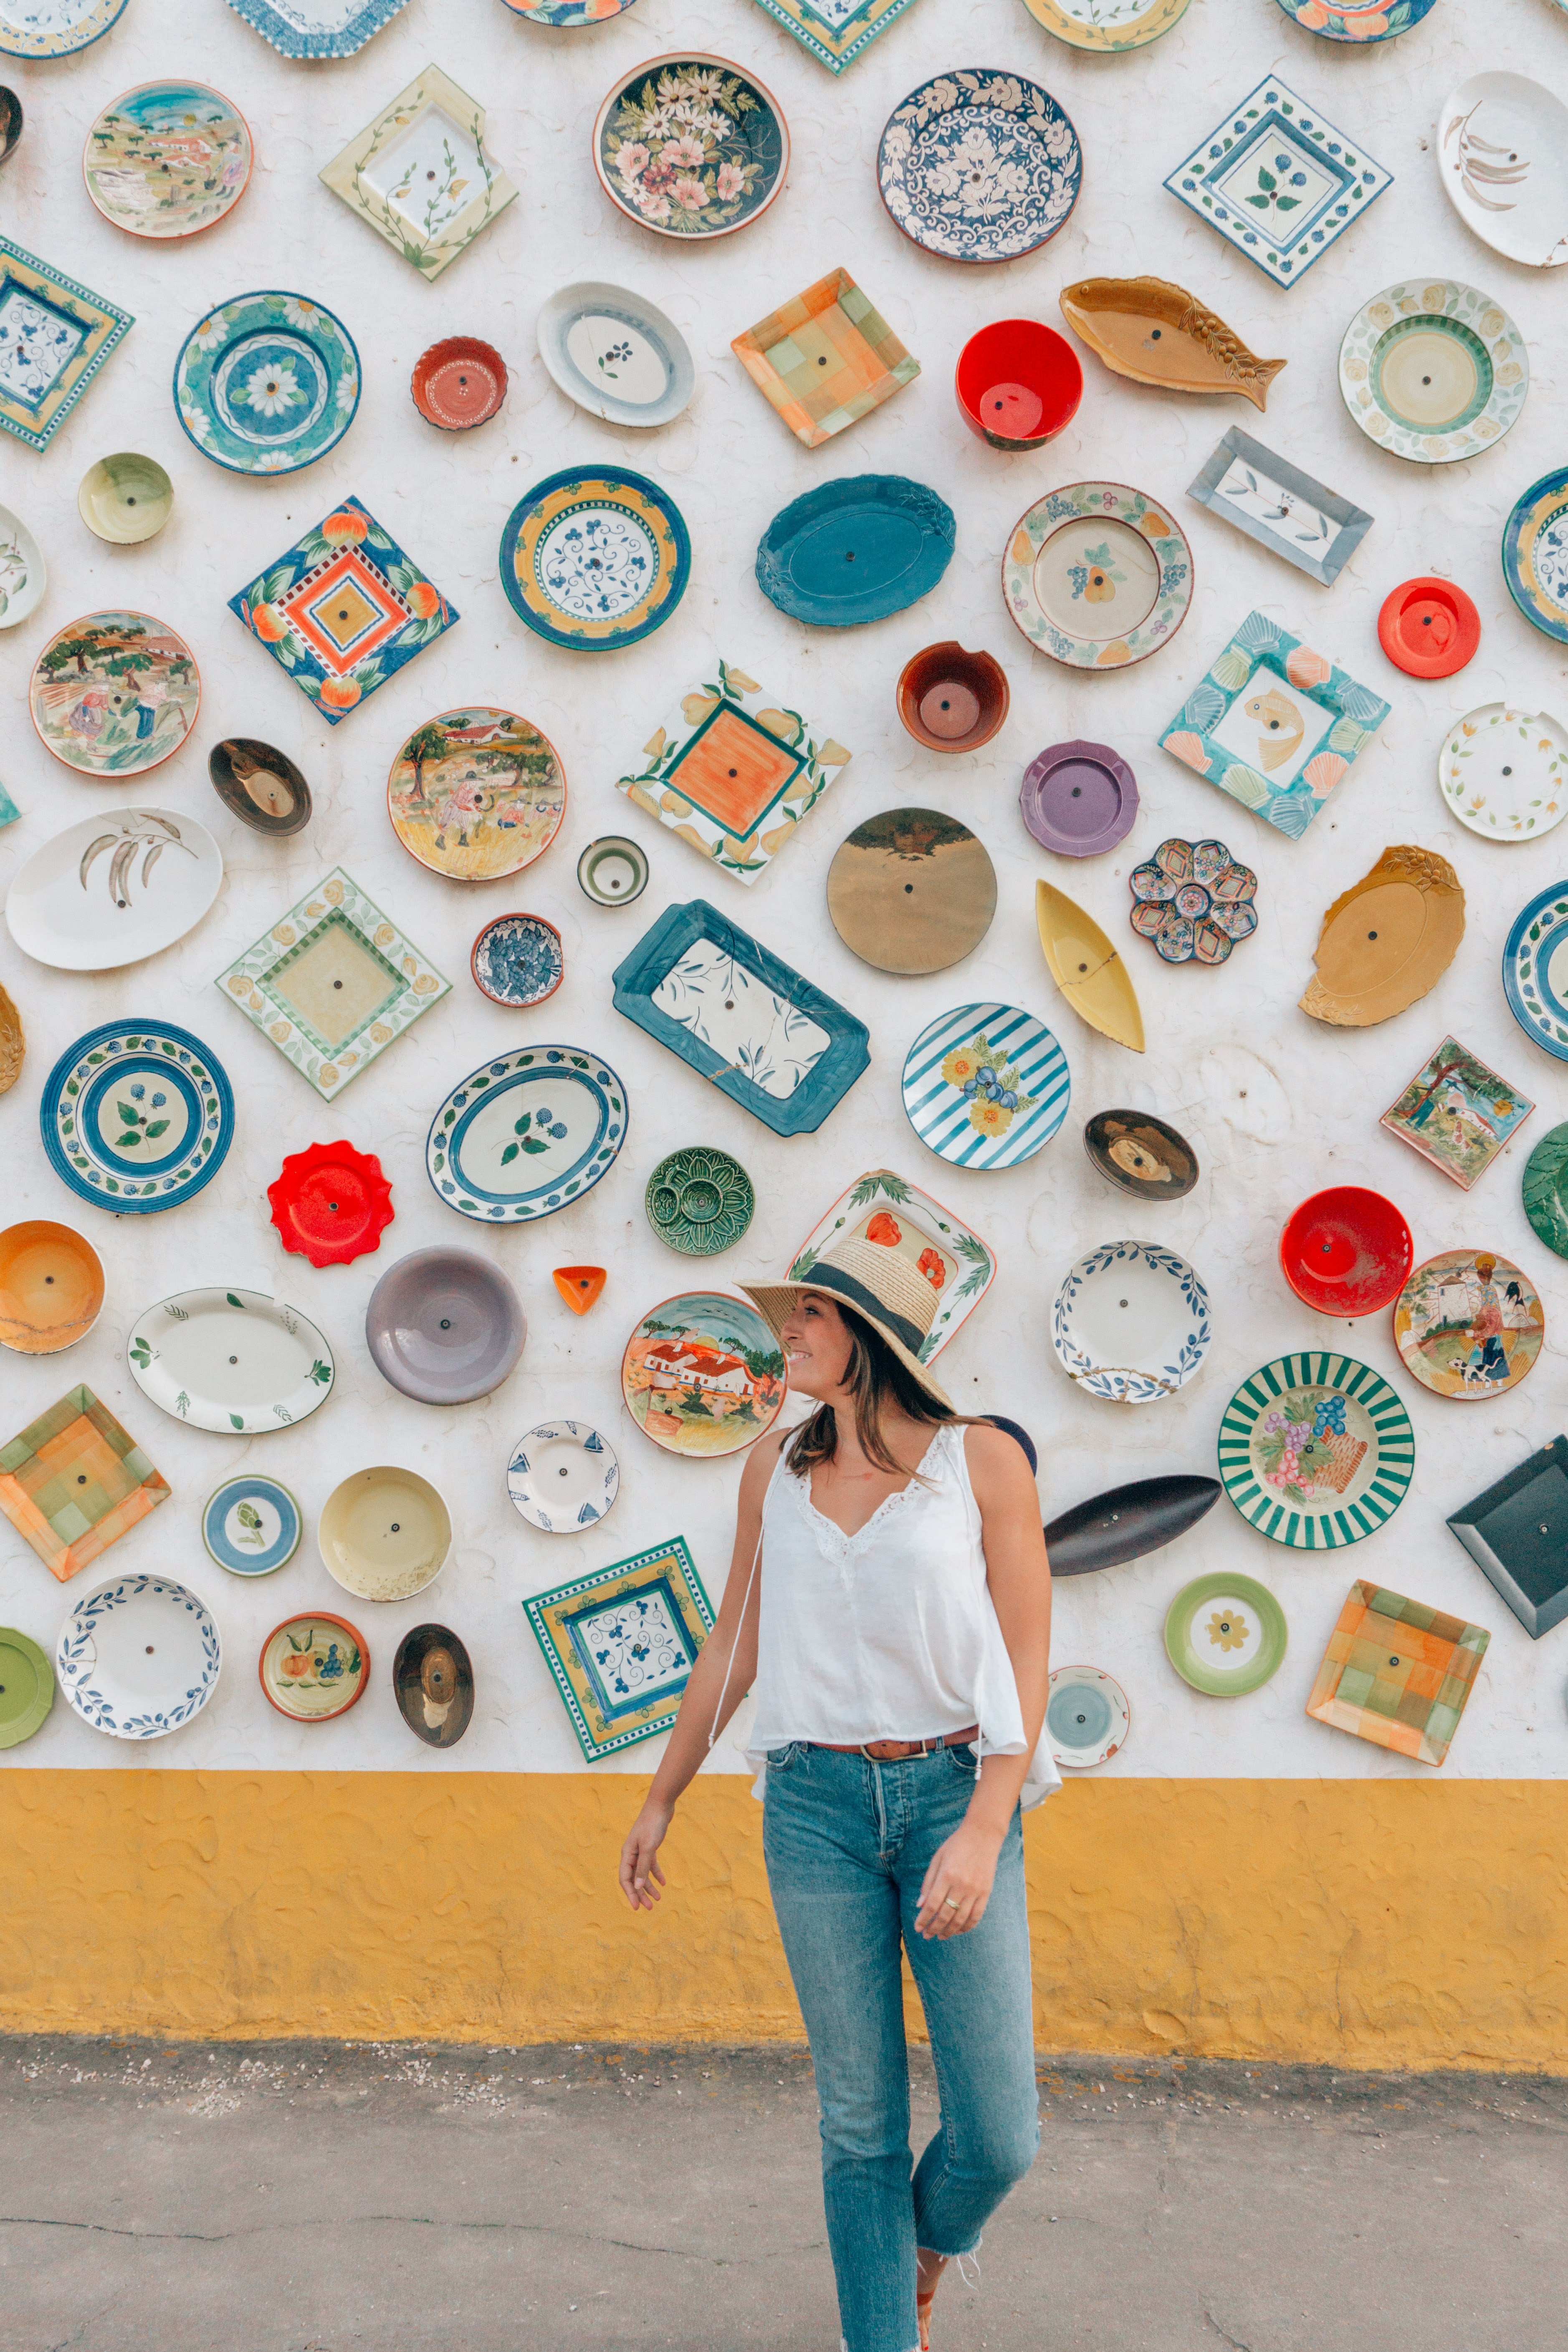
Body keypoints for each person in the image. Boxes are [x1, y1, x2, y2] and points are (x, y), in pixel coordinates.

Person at [618, 1238, 1055, 2352]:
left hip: (951, 1791)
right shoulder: (770, 1465)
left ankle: (910, 2255)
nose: (788, 1333)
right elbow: (734, 1640)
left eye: (809, 1313)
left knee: (998, 2131)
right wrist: (662, 1794)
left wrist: (983, 1824)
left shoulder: (983, 1460)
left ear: (873, 1330)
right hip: (810, 1806)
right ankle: (882, 2336)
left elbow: (1023, 1654)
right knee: (858, 2123)